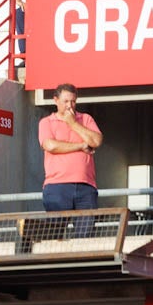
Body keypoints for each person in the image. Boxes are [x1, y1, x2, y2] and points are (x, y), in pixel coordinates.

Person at [39, 82, 102, 218]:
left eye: (73, 101)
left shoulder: (85, 119)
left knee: (86, 230)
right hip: (57, 186)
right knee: (56, 230)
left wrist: (73, 123)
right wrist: (81, 146)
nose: (70, 105)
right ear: (56, 100)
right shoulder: (47, 122)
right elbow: (50, 146)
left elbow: (96, 141)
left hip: (85, 186)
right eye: (66, 101)